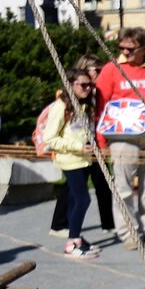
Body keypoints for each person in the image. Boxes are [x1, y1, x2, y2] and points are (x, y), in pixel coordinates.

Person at [96, 28, 145, 249]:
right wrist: (101, 142)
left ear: (143, 48)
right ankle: (128, 232)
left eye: (130, 48)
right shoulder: (112, 70)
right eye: (121, 48)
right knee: (123, 188)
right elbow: (101, 106)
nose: (125, 52)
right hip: (122, 138)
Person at [49, 55, 117, 237]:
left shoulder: (93, 93)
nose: (102, 74)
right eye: (98, 71)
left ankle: (106, 223)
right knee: (77, 193)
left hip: (92, 143)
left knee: (100, 184)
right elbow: (53, 135)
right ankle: (66, 230)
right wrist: (78, 145)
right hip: (77, 149)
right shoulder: (65, 101)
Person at [44, 68, 101, 260]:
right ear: (70, 85)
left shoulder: (85, 105)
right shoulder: (60, 107)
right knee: (83, 199)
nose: (87, 88)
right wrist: (77, 146)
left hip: (84, 160)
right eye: (83, 85)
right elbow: (50, 138)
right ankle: (72, 241)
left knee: (74, 200)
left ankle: (74, 235)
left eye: (89, 84)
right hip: (71, 160)